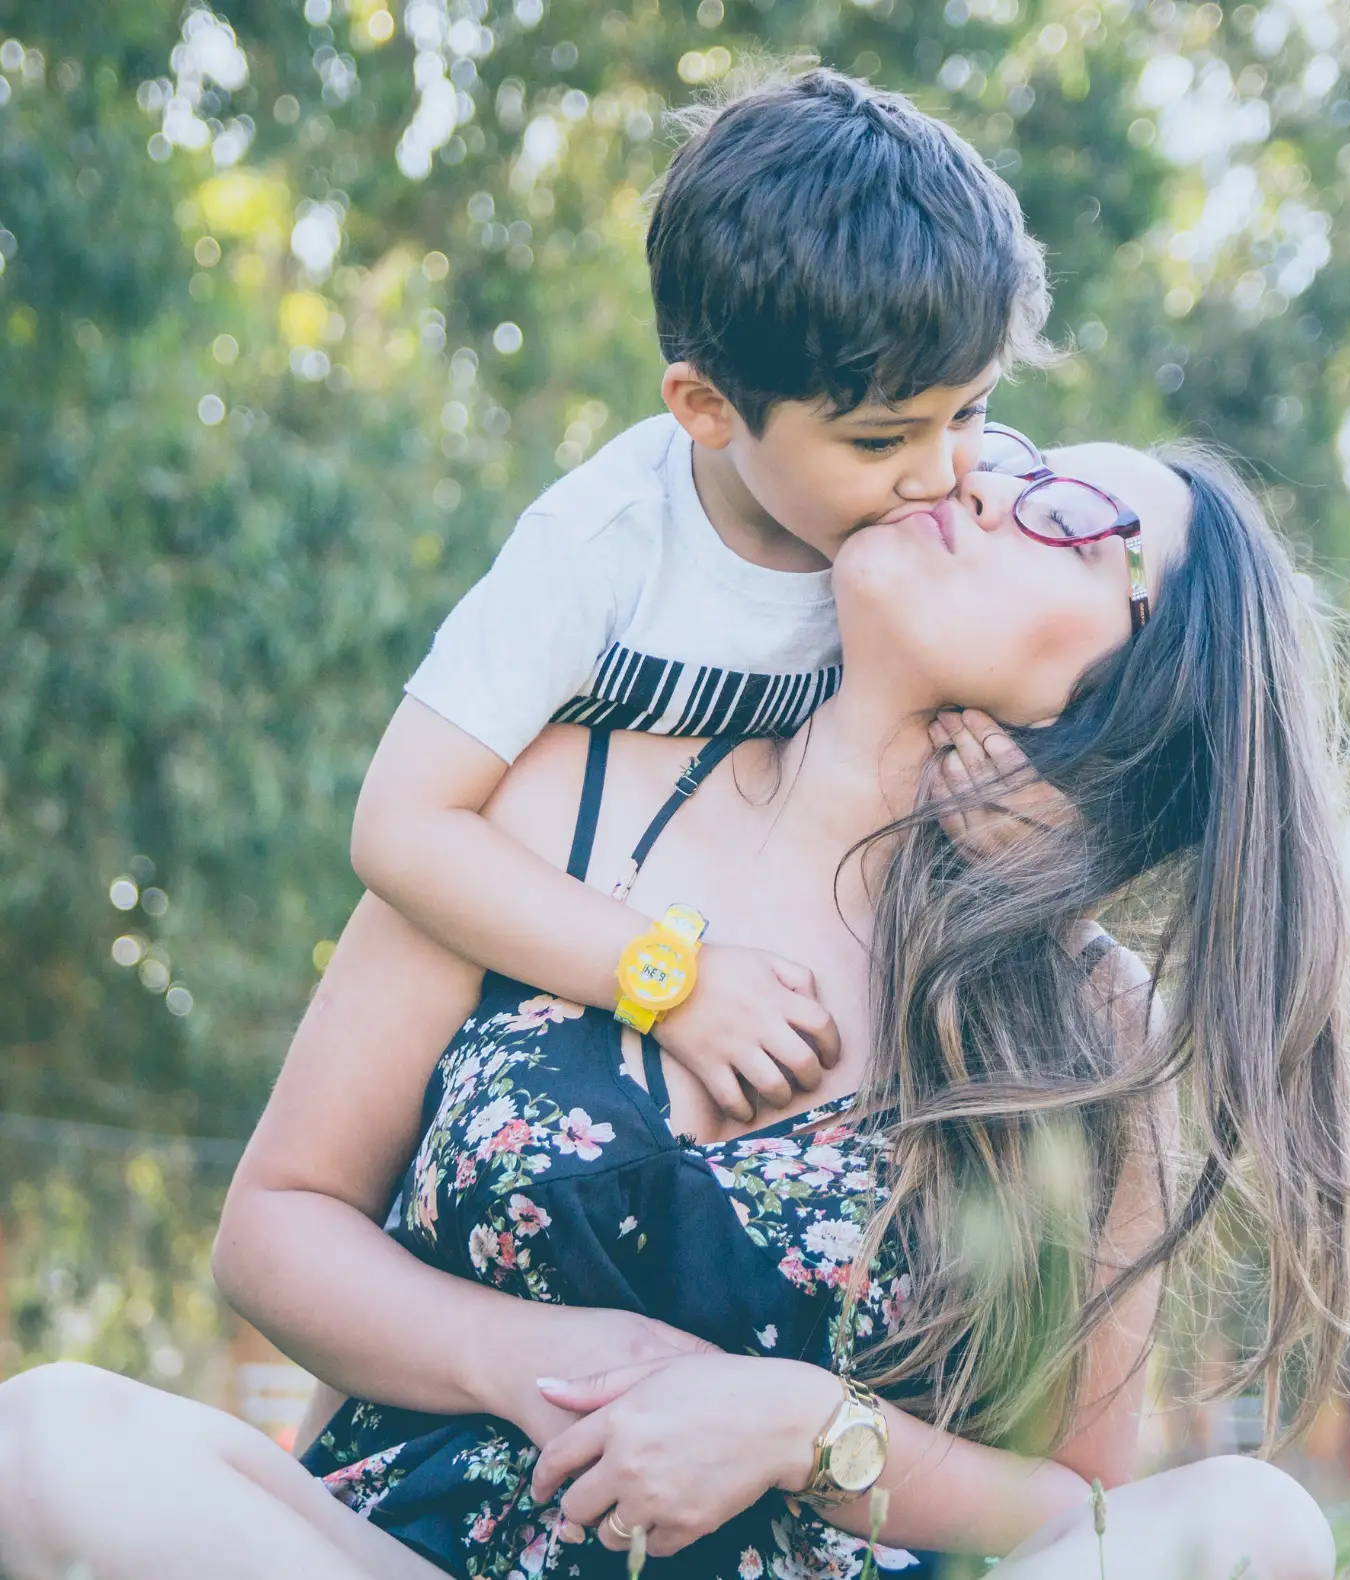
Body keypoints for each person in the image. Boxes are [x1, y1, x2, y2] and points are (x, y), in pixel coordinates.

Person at [0, 431, 1350, 1580]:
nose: (975, 477)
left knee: (1252, 1529)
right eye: (1011, 451)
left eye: (1072, 513)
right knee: (47, 1442)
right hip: (402, 1559)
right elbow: (274, 1227)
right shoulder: (546, 800)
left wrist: (808, 1430)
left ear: (1139, 692)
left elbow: (1068, 1506)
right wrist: (524, 1355)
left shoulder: (1079, 1020)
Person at [350, 66, 1052, 1128]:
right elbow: (399, 826)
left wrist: (1049, 812)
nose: (941, 473)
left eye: (971, 409)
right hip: (572, 1021)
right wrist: (667, 978)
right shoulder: (600, 550)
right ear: (707, 406)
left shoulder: (979, 495)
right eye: (878, 439)